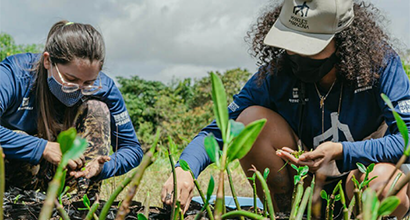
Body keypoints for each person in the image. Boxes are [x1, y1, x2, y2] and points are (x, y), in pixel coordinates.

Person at [162, 0, 410, 218]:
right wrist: (184, 169)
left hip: (360, 180)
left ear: (343, 40)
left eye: (309, 45)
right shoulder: (278, 73)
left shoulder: (381, 67)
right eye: (290, 41)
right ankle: (285, 214)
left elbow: (407, 140)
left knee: (383, 183)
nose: (294, 52)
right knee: (250, 120)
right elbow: (223, 129)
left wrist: (341, 151)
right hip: (305, 185)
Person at [0, 20, 143, 197]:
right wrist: (42, 147)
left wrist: (104, 166)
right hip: (12, 178)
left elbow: (132, 149)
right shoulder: (14, 75)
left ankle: (78, 205)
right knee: (19, 137)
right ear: (47, 61)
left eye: (88, 83)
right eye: (71, 80)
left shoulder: (104, 88)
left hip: (68, 175)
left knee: (97, 109)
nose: (79, 89)